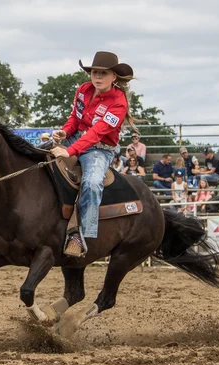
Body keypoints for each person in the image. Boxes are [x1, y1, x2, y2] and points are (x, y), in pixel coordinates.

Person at [50, 51, 135, 257]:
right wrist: (65, 132)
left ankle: (82, 235)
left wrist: (69, 151)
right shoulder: (83, 90)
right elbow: (75, 118)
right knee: (41, 152)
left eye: (103, 73)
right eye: (95, 72)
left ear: (114, 76)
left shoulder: (118, 103)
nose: (97, 77)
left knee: (92, 183)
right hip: (77, 138)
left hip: (99, 149)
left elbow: (97, 133)